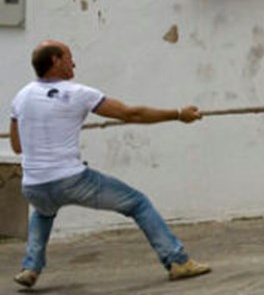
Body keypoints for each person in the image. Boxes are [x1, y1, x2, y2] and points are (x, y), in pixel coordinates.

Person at [8, 41, 211, 289]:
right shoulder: (79, 93)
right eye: (69, 57)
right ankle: (178, 261)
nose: (74, 63)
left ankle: (31, 267)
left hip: (33, 185)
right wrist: (178, 114)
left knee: (42, 212)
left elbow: (18, 146)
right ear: (55, 61)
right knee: (138, 202)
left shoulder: (21, 96)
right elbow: (131, 114)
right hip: (71, 180)